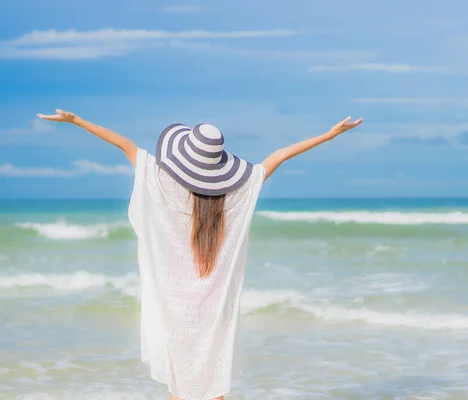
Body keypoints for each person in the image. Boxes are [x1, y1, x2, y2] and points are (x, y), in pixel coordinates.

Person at [37, 109, 363, 400]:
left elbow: (125, 145)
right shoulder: (236, 195)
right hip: (215, 303)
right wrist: (331, 134)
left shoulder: (163, 183)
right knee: (213, 376)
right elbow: (279, 155)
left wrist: (77, 121)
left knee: (178, 383)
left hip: (174, 302)